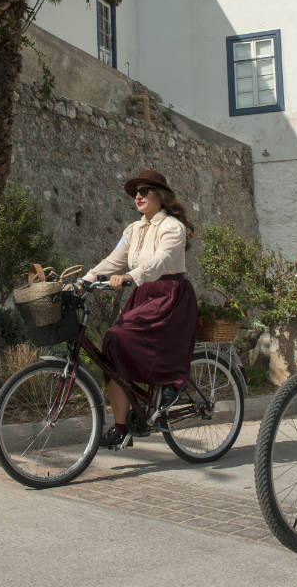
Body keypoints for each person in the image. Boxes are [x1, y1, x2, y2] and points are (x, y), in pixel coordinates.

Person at [79, 170, 198, 448]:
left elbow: (160, 261)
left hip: (169, 295)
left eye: (145, 191)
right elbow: (113, 260)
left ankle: (173, 382)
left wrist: (132, 276)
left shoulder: (172, 227)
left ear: (161, 195)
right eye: (136, 192)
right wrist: (83, 281)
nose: (138, 196)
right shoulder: (133, 230)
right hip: (144, 294)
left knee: (121, 337)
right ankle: (122, 427)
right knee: (112, 348)